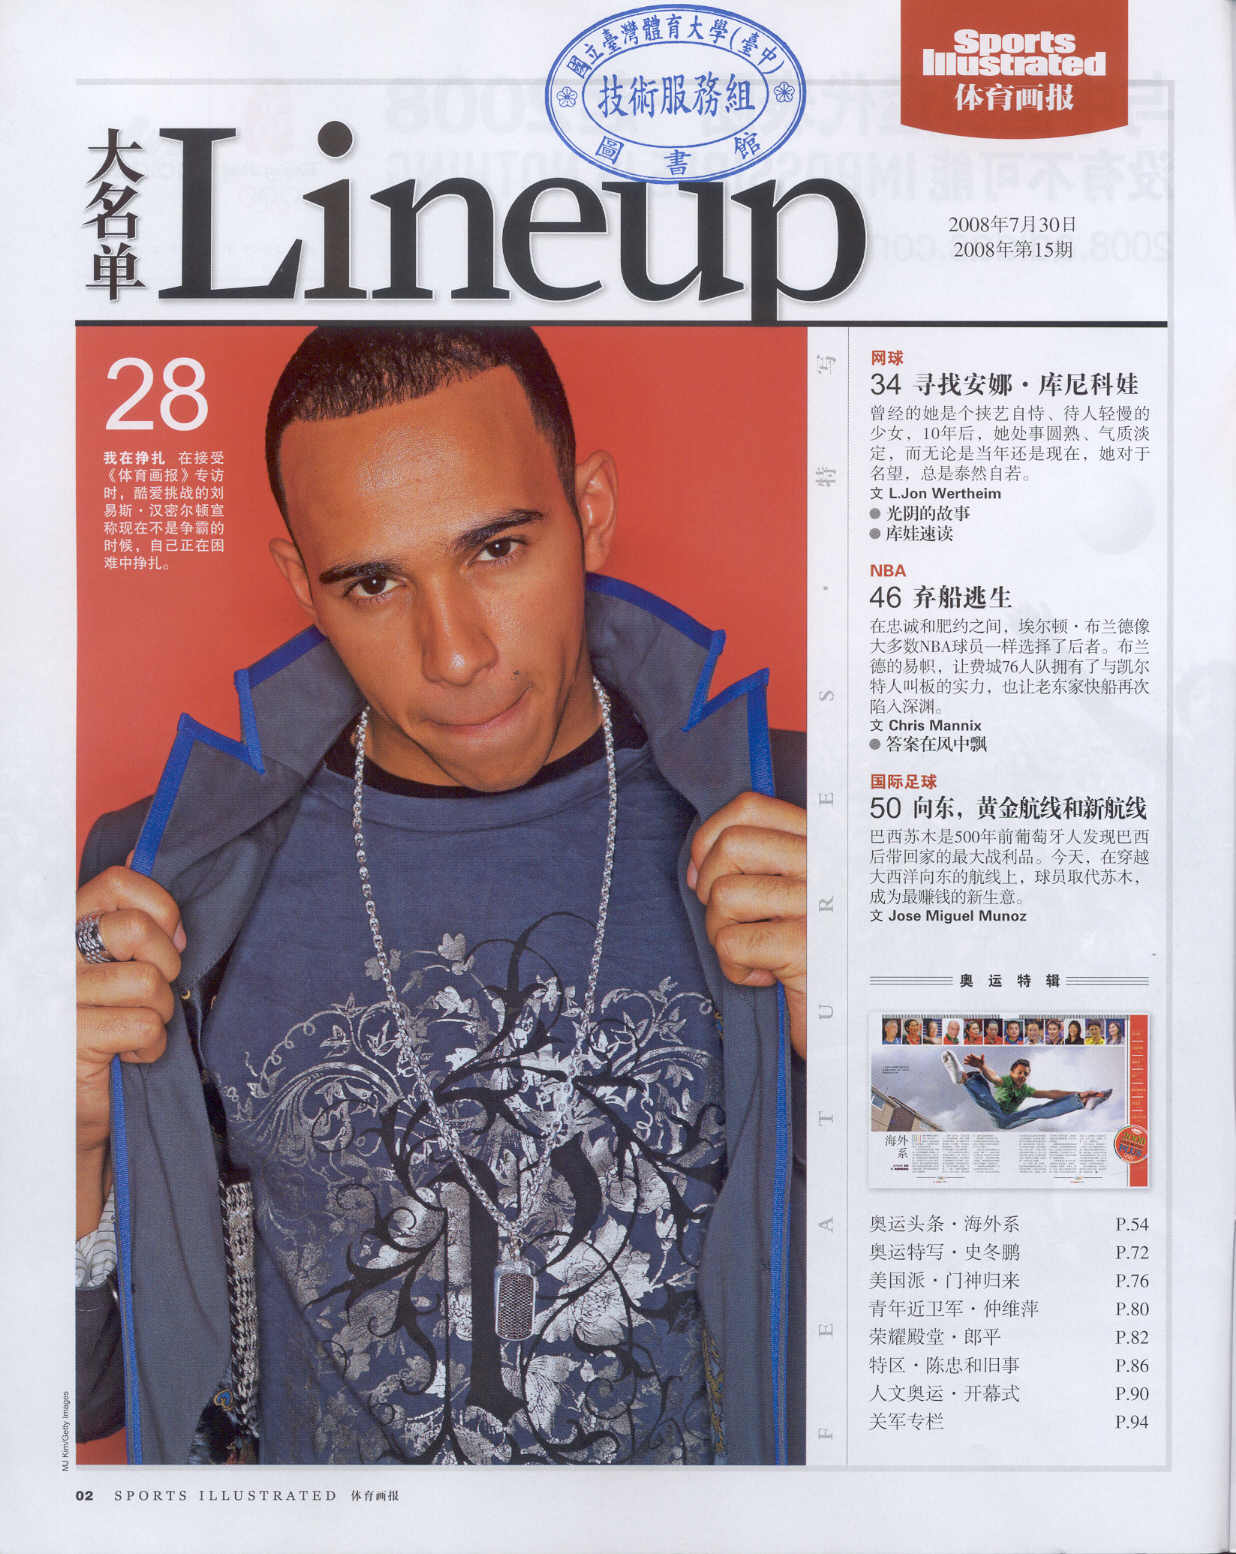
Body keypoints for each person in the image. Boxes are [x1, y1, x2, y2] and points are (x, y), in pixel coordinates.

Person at [74, 326, 808, 1468]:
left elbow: (1011, 1325)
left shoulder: (811, 832)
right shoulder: (168, 878)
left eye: (497, 549)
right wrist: (61, 1139)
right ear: (302, 588)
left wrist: (884, 1043)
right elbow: (82, 1402)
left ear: (592, 513)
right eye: (374, 582)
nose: (455, 653)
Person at [940, 1052, 1110, 1130]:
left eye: (1026, 1074)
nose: (1022, 1076)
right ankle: (964, 1078)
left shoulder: (1026, 1090)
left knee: (1038, 1111)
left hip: (1010, 1119)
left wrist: (1079, 1093)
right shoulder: (1006, 1081)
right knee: (987, 1098)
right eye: (1019, 1073)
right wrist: (983, 1066)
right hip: (998, 1117)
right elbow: (994, 1078)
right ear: (1012, 1073)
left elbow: (1050, 1094)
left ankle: (1082, 1102)